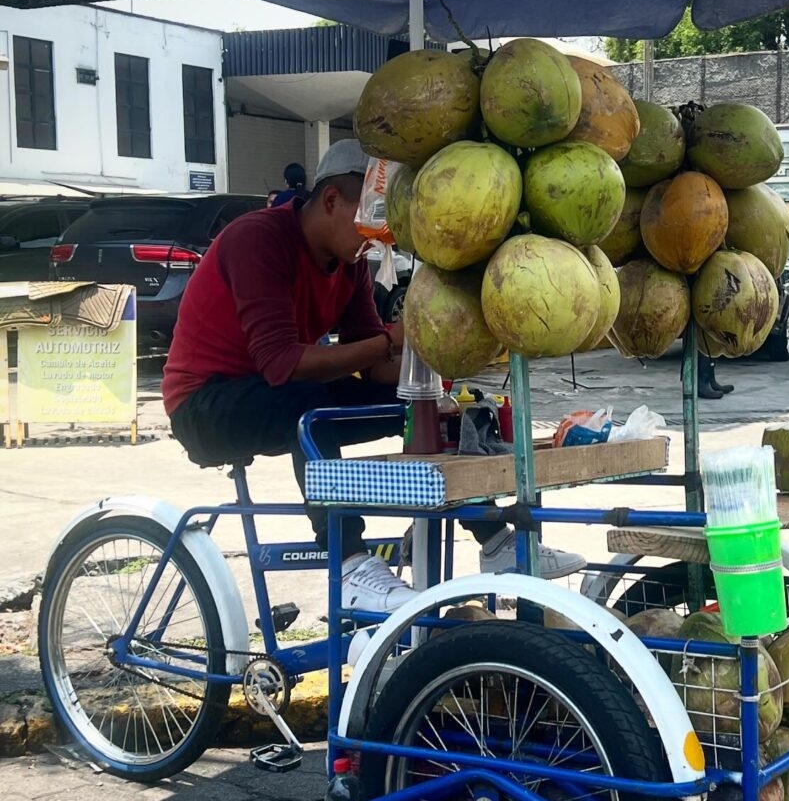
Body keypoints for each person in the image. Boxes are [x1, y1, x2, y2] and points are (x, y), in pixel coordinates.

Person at [162, 139, 585, 613]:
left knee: (427, 410)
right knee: (307, 407)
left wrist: (436, 362)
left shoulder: (351, 263)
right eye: (371, 222)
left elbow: (375, 367)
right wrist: (390, 339)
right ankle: (349, 563)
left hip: (280, 391)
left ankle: (494, 540)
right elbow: (281, 364)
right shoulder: (256, 239)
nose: (377, 238)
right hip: (205, 405)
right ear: (331, 201)